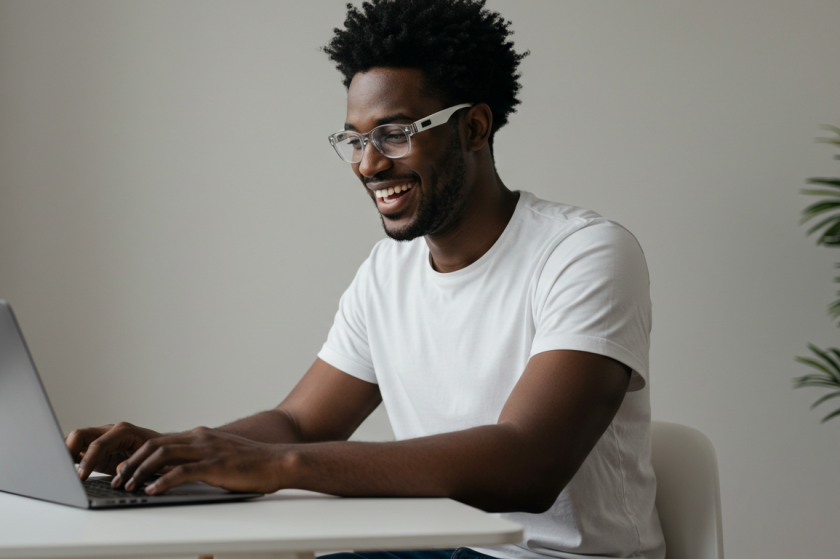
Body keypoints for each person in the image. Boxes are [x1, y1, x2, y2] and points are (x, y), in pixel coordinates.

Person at [65, 1, 665, 558]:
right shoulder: (388, 273)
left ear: (475, 129)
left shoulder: (582, 254)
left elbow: (527, 464)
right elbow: (299, 423)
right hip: (440, 550)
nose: (369, 163)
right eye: (355, 139)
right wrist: (176, 453)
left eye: (394, 133)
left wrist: (283, 467)